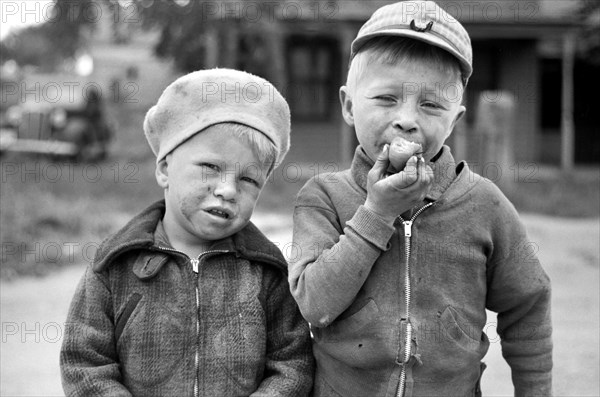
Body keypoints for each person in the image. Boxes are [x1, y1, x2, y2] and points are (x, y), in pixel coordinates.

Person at [289, 1, 552, 396]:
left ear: (455, 120)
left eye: (430, 105)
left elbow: (528, 307)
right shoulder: (322, 198)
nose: (407, 119)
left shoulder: (486, 205)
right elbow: (315, 304)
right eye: (386, 99)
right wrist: (377, 213)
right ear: (348, 105)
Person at [60, 68, 314, 396]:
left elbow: (292, 362)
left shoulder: (266, 271)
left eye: (249, 180)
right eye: (211, 167)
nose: (227, 190)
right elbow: (84, 363)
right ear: (165, 168)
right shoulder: (114, 265)